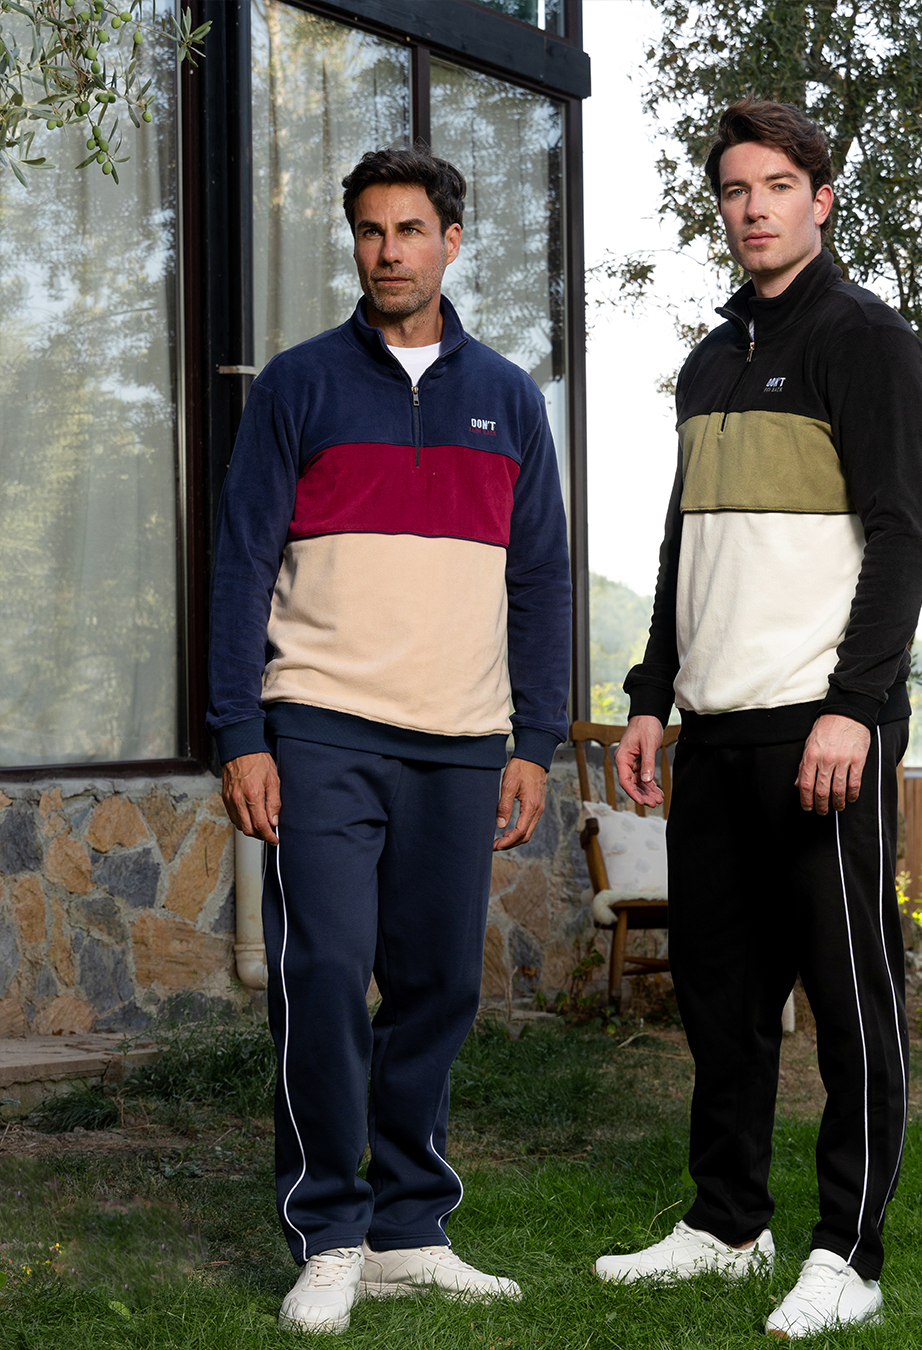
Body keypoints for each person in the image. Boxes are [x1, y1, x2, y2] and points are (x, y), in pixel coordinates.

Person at [207, 146, 572, 1335]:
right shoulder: (298, 386)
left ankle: (411, 1229)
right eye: (370, 231)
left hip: (461, 740)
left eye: (410, 230)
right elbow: (241, 564)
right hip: (318, 727)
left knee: (439, 984)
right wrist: (240, 733)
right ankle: (330, 1231)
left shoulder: (511, 399)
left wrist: (534, 739)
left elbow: (543, 581)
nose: (388, 252)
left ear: (451, 242)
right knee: (321, 972)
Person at [595, 100, 922, 1340]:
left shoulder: (865, 340)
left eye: (778, 186)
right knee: (720, 995)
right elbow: (684, 544)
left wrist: (856, 708)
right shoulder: (709, 358)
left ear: (820, 200)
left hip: (821, 728)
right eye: (736, 190)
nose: (754, 209)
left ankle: (851, 1255)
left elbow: (904, 534)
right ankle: (729, 1225)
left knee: (850, 999)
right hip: (716, 726)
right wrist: (650, 697)